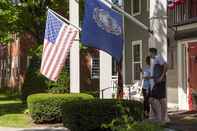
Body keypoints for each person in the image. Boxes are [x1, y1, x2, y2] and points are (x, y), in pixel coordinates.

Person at [148, 48, 169, 123]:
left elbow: (166, 66)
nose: (149, 54)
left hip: (160, 82)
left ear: (153, 52)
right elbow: (157, 72)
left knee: (162, 100)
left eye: (149, 52)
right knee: (151, 99)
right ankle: (159, 117)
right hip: (156, 83)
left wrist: (161, 77)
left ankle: (163, 119)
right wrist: (150, 77)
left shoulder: (159, 57)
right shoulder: (155, 60)